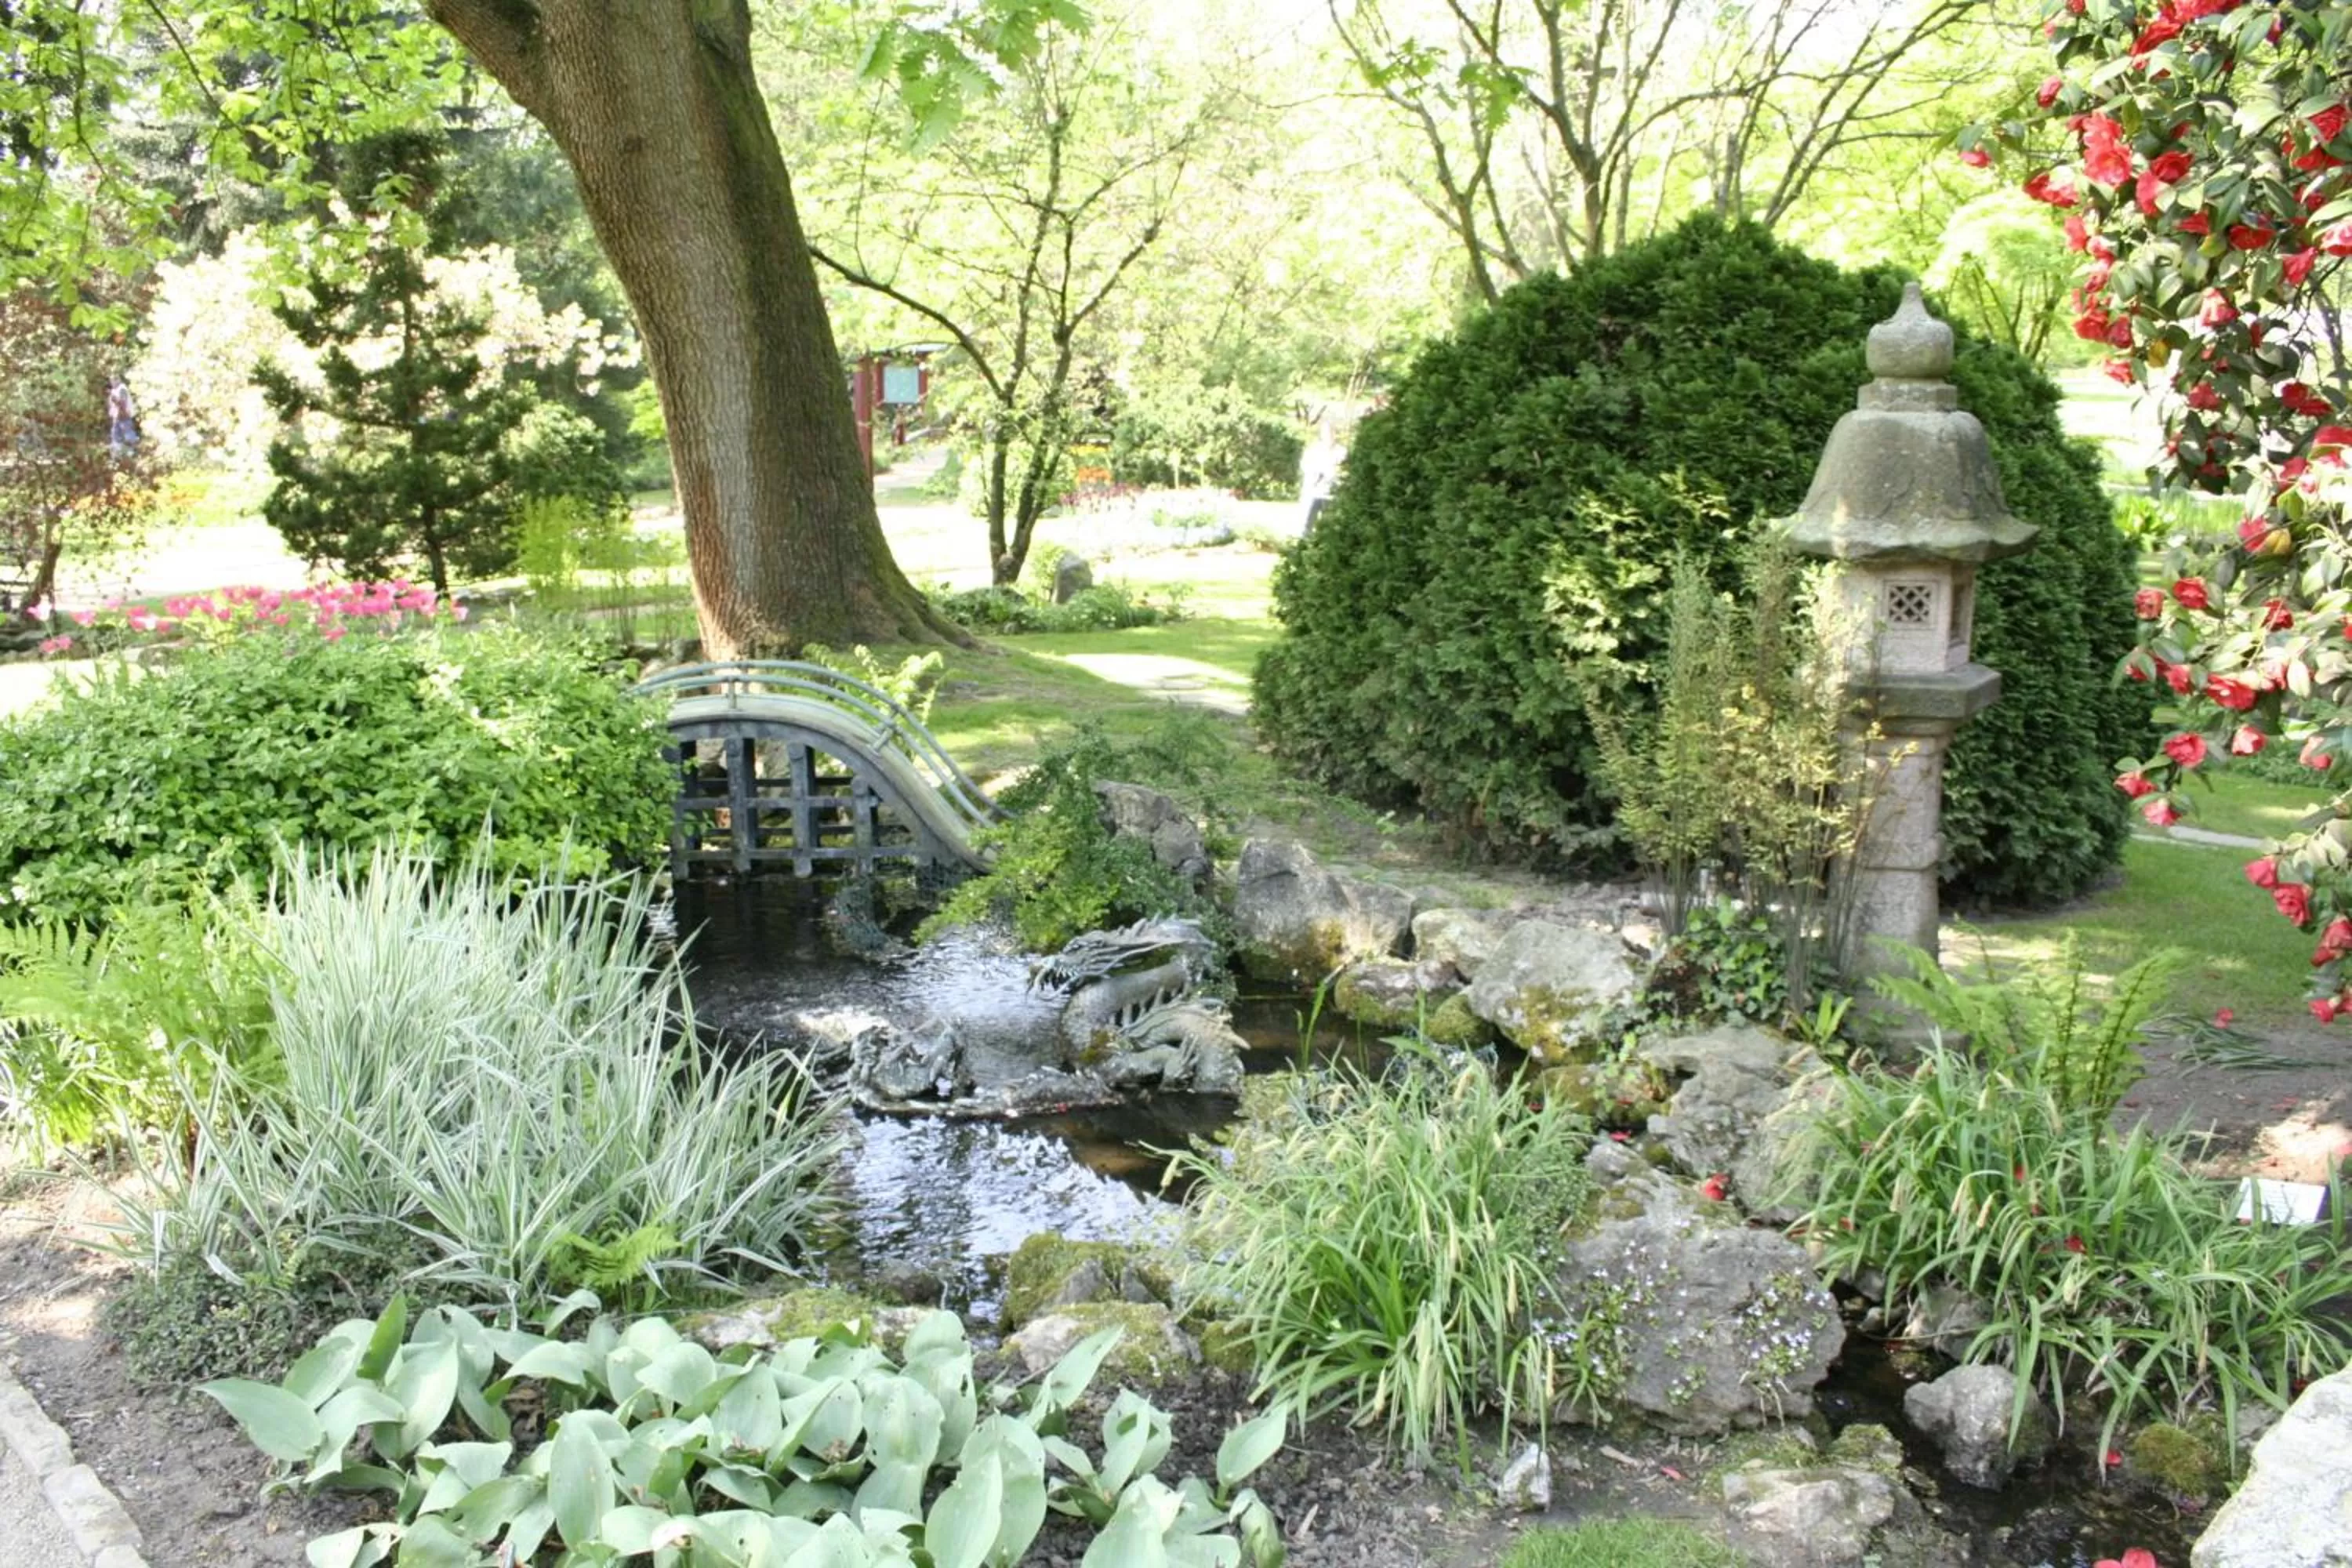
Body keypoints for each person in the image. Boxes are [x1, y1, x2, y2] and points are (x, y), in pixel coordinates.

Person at [1297, 412, 1345, 533]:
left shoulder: (1341, 451)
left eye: (1331, 432)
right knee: (1307, 525)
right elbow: (1305, 466)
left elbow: (1342, 471)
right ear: (1321, 434)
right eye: (1326, 432)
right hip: (1313, 492)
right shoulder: (1313, 450)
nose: (1329, 435)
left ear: (1335, 434)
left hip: (1331, 494)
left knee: (1328, 526)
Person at [106, 377, 138, 457]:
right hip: (117, 416)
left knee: (128, 434)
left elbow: (122, 403)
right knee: (116, 434)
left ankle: (132, 452)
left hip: (124, 415)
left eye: (114, 380)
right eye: (111, 381)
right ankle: (118, 453)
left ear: (118, 380)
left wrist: (115, 400)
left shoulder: (122, 389)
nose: (112, 382)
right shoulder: (115, 390)